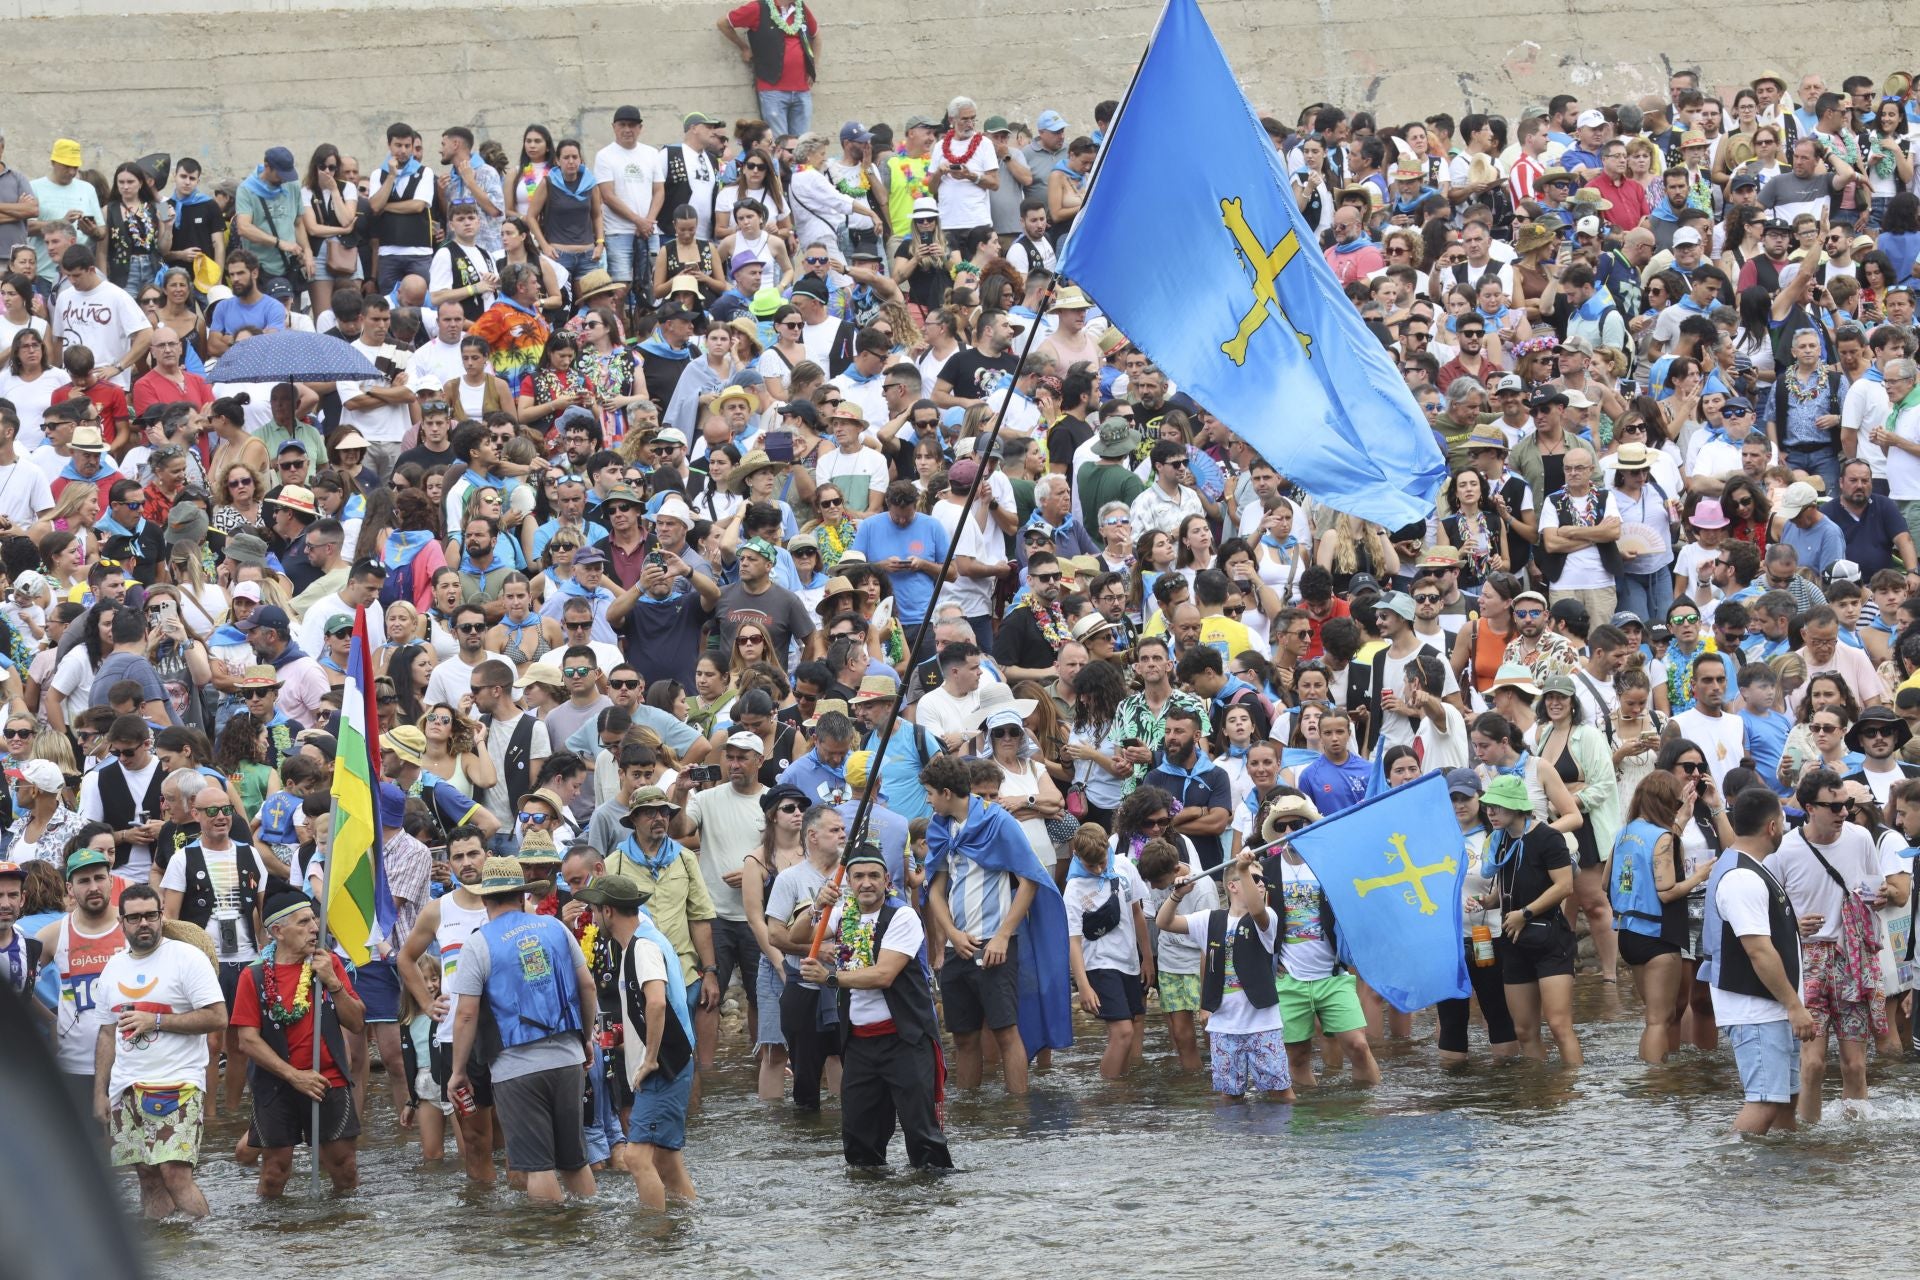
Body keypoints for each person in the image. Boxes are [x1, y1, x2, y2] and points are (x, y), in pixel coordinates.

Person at [447, 855, 598, 1203]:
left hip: (516, 1067)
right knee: (575, 1160)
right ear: (521, 896)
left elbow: (466, 1015)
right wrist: (585, 1039)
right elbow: (587, 987)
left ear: (485, 900)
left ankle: (550, 1245)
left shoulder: (478, 943)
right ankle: (591, 1236)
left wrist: (458, 1071)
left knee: (538, 1166)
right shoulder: (556, 928)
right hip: (567, 1058)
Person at [921, 752, 1070, 1094]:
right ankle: (972, 1112)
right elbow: (936, 890)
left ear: (946, 792)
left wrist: (1004, 935)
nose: (928, 800)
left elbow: (1030, 879)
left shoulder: (998, 822)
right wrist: (952, 935)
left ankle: (1016, 1112)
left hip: (995, 942)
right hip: (957, 945)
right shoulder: (939, 826)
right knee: (963, 1036)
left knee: (1005, 1031)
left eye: (930, 793)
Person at [92, 883, 225, 1221]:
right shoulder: (113, 968)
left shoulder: (187, 958)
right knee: (148, 1178)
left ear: (161, 916)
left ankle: (209, 1249)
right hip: (127, 1088)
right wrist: (101, 1092)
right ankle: (166, 1253)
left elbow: (217, 1017)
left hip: (178, 1085)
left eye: (151, 915)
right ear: (121, 922)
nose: (144, 923)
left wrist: (158, 1020)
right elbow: (107, 1033)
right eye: (134, 917)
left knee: (175, 1176)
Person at [1771, 769, 1890, 1123]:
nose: (1844, 813)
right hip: (1808, 959)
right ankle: (1809, 1138)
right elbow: (1769, 912)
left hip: (1853, 960)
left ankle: (1856, 1143)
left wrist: (1879, 898)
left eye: (1847, 805)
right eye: (1834, 806)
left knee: (1855, 1064)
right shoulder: (1785, 849)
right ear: (1809, 807)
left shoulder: (1860, 838)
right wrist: (1793, 924)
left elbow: (1875, 888)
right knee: (1813, 1064)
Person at [571, 872, 696, 1210]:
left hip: (663, 1067)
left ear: (608, 911)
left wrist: (650, 1058)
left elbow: (656, 1001)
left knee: (638, 1158)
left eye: (595, 909)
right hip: (676, 1061)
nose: (592, 917)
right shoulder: (643, 942)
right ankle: (687, 1224)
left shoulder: (642, 947)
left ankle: (652, 1241)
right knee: (667, 1160)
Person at [229, 893, 365, 1197]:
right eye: (304, 922)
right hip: (277, 1084)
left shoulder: (327, 965)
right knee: (274, 1174)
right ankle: (274, 1236)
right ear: (278, 932)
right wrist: (294, 1076)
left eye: (314, 919)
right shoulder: (253, 976)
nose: (315, 927)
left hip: (327, 1079)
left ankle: (343, 1235)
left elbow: (356, 1023)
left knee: (345, 1168)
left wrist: (334, 982)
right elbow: (247, 1041)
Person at [1710, 785, 1816, 1135]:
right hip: (1757, 1009)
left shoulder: (1752, 867)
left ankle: (1788, 1179)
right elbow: (1757, 949)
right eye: (1783, 822)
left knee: (1785, 1101)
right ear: (1772, 826)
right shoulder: (1742, 876)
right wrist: (1794, 1006)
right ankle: (1731, 1177)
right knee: (1765, 1102)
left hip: (1770, 1008)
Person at [1155, 852, 1292, 1102]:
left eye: (1262, 879)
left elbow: (1257, 909)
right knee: (1229, 1096)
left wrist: (1243, 869)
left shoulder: (1267, 917)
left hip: (1262, 1024)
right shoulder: (1210, 920)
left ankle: (1281, 1139)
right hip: (1223, 1025)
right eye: (1254, 877)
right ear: (1232, 885)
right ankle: (1231, 1140)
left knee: (1281, 1093)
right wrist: (1177, 895)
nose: (1261, 883)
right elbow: (1164, 922)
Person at [1479, 774, 1582, 1065]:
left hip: (1550, 939)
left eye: (1497, 806)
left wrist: (1525, 913)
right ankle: (1537, 1094)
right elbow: (1511, 884)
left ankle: (1574, 1093)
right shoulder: (1499, 841)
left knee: (1560, 1026)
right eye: (1488, 806)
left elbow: (1564, 886)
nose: (1490, 812)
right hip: (1513, 941)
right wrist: (1491, 900)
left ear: (1517, 807)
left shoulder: (1548, 837)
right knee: (1524, 1031)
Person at [1609, 771, 1710, 1062]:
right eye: (1675, 805)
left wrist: (1681, 822)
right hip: (1658, 935)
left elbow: (1607, 882)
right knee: (1660, 1019)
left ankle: (1648, 1079)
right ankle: (1656, 1084)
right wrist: (1700, 876)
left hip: (1629, 932)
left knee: (1652, 1018)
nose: (1676, 810)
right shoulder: (1663, 838)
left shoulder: (1624, 833)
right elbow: (1666, 892)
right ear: (1664, 803)